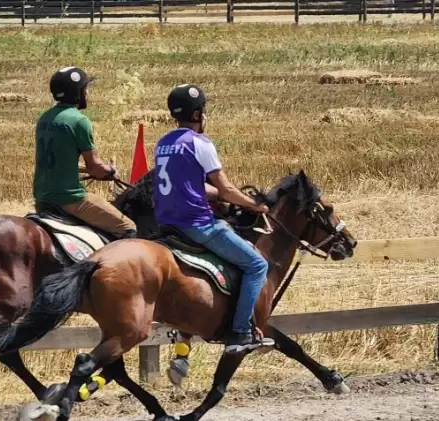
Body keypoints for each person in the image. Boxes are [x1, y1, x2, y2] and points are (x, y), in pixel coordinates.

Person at [152, 83, 273, 354]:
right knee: (256, 265)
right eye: (203, 110)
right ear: (197, 114)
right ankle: (241, 332)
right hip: (198, 225)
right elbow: (227, 189)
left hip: (166, 225)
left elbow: (187, 184)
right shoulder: (200, 143)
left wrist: (219, 194)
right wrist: (255, 205)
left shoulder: (163, 143)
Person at [33, 66, 137, 239]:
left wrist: (85, 170)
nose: (87, 94)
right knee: (129, 227)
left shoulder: (45, 118)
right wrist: (110, 171)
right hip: (70, 199)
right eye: (85, 89)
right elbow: (95, 167)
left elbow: (61, 161)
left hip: (42, 197)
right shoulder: (79, 121)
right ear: (77, 93)